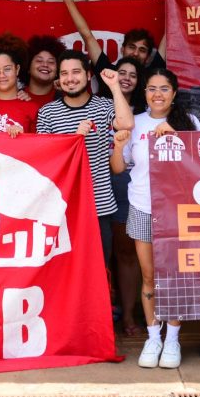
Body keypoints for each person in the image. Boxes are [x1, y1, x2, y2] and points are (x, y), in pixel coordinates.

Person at [110, 68, 200, 369]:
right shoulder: (134, 122)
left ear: (174, 93)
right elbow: (118, 168)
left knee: (174, 276)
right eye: (151, 88)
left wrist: (177, 136)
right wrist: (119, 145)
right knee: (149, 276)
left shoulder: (189, 122)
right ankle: (153, 337)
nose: (157, 94)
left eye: (164, 89)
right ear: (145, 92)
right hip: (142, 206)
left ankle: (172, 338)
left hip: (178, 209)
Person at [37, 50, 134, 267]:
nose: (70, 78)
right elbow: (45, 160)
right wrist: (74, 139)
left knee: (99, 270)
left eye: (76, 72)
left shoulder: (103, 106)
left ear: (88, 75)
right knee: (65, 273)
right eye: (64, 73)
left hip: (99, 207)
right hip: (62, 209)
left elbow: (127, 123)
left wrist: (115, 86)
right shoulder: (47, 112)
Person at [58, 0, 166, 76]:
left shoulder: (152, 77)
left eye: (142, 50)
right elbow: (87, 36)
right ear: (122, 49)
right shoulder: (106, 72)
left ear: (148, 57)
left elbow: (170, 34)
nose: (135, 53)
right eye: (131, 47)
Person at [110, 56, 146, 337]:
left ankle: (131, 313)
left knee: (130, 254)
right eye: (121, 72)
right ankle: (113, 311)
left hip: (135, 185)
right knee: (110, 253)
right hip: (106, 182)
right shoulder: (101, 105)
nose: (126, 78)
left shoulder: (147, 110)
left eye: (133, 75)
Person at [24, 34, 65, 108]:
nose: (45, 65)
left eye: (51, 62)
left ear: (58, 70)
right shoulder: (14, 96)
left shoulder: (66, 99)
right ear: (28, 67)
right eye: (39, 60)